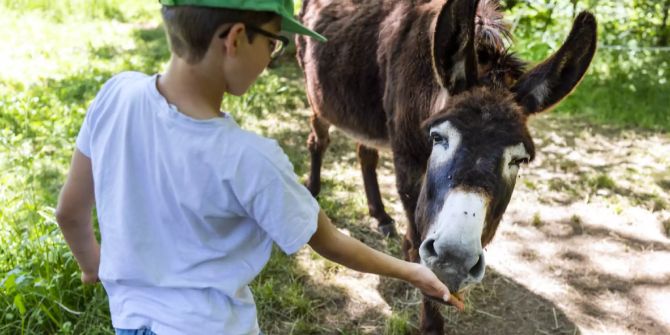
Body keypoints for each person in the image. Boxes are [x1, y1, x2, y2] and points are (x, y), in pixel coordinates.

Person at [55, 1, 456, 334]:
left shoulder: (115, 95)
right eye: (273, 42)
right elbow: (331, 243)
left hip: (128, 321)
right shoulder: (249, 159)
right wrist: (413, 272)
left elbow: (69, 212)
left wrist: (93, 266)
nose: (273, 56)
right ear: (234, 39)